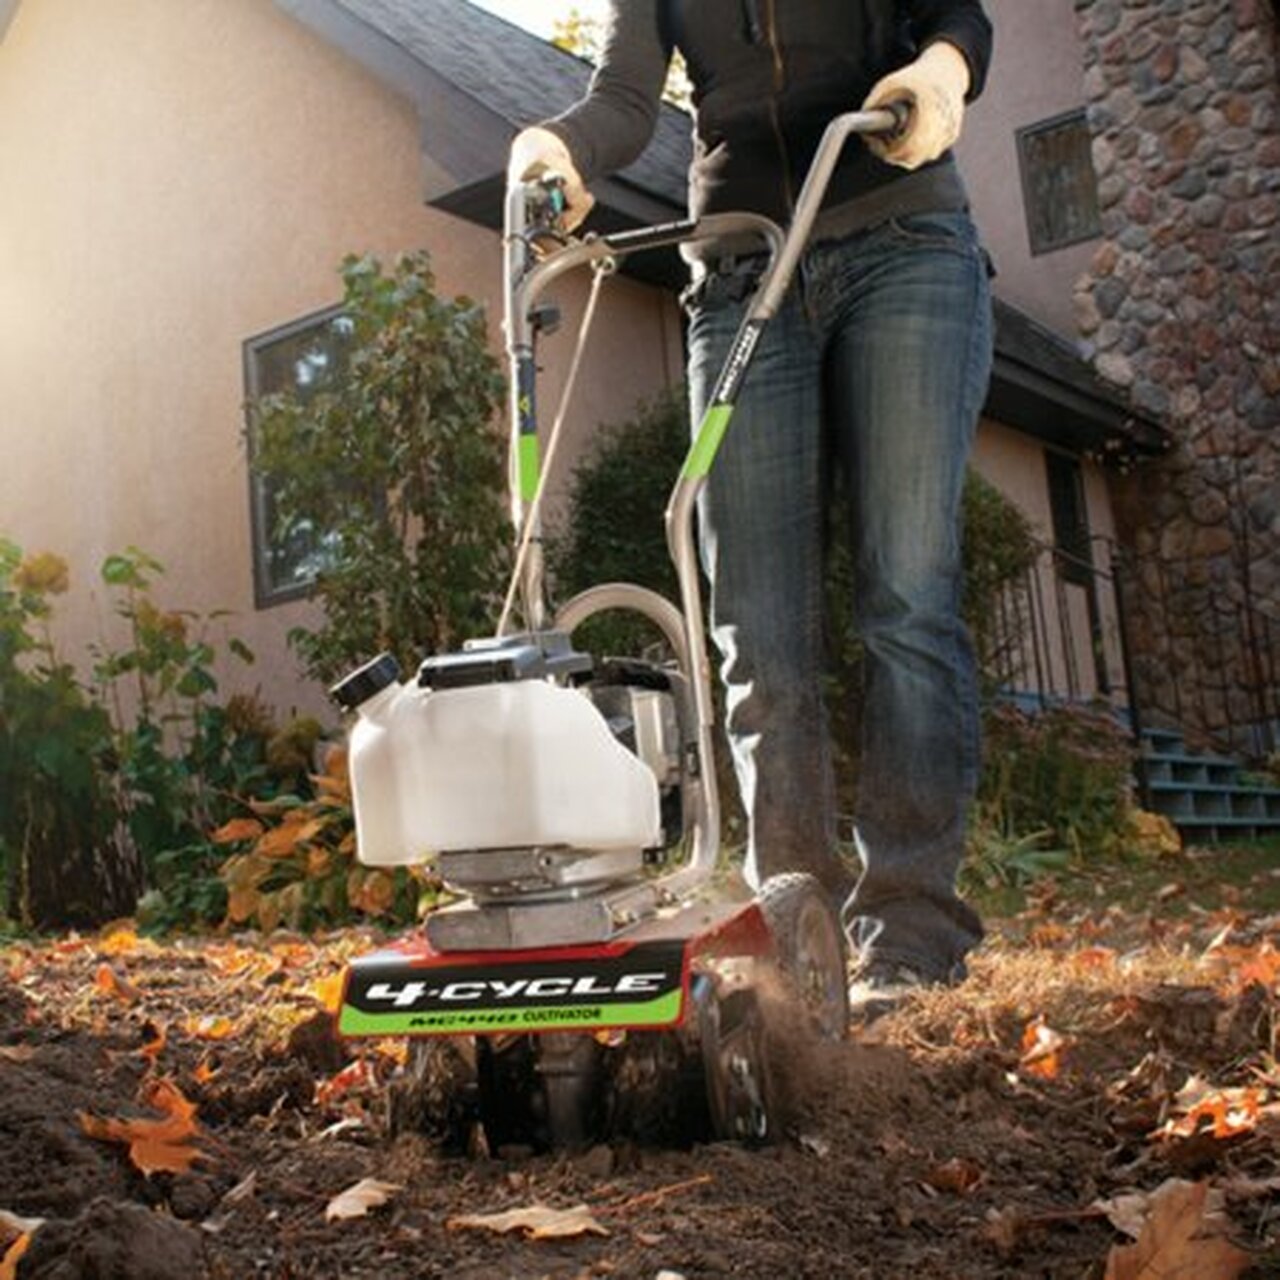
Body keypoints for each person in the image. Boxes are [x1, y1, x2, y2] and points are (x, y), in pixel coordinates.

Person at [509, 1, 994, 1022]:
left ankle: (907, 932)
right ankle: (795, 934)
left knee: (904, 594)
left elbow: (953, 14)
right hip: (738, 269)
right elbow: (625, 100)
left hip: (897, 234)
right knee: (755, 633)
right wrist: (556, 148)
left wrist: (939, 75)